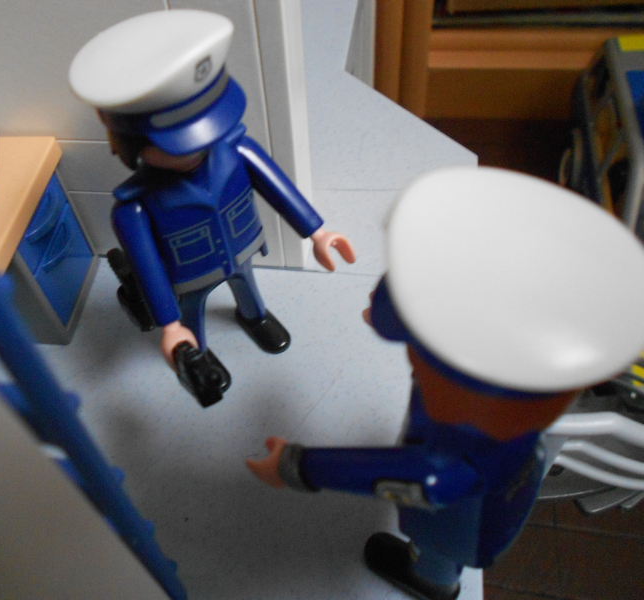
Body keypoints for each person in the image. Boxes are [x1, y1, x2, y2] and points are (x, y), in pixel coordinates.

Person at [247, 166, 644, 600]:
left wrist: (295, 465)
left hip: (460, 523)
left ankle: (433, 584)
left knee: (435, 553)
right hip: (497, 480)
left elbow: (395, 473)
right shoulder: (520, 393)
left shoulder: (456, 460)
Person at [69, 10, 354, 399]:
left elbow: (280, 189)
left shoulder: (237, 151)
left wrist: (317, 232)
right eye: (180, 144)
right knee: (192, 317)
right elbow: (148, 268)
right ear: (131, 144)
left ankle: (254, 317)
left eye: (207, 131)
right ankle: (199, 354)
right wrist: (170, 326)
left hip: (241, 247)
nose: (198, 148)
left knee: (247, 284)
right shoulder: (133, 208)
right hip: (189, 277)